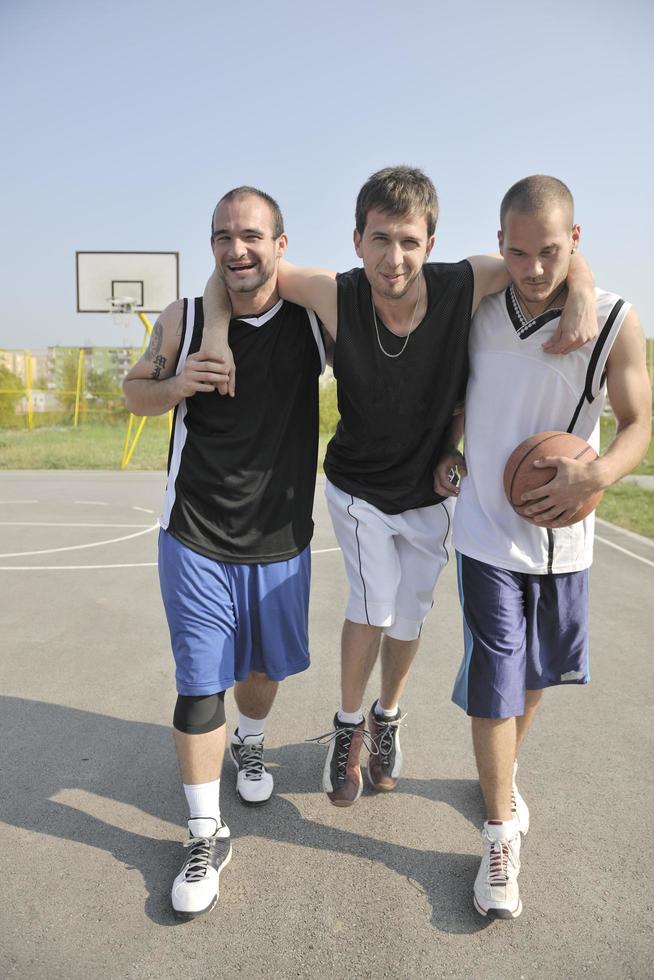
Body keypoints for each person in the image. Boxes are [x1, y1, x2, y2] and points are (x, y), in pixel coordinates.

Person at [202, 166, 597, 809]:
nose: (395, 257)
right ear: (357, 239)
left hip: (431, 489)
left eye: (409, 241)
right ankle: (348, 725)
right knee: (373, 604)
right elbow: (237, 270)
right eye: (381, 239)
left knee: (409, 617)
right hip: (358, 486)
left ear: (430, 245)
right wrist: (215, 333)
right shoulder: (335, 292)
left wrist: (580, 287)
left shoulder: (463, 284)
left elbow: (546, 256)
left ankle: (387, 717)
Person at [434, 175, 651, 919]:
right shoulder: (480, 311)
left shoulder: (617, 321)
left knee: (533, 675)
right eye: (518, 252)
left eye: (552, 253)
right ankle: (499, 838)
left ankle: (502, 773)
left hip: (565, 538)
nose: (533, 268)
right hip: (487, 531)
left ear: (577, 242)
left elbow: (639, 423)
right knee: (498, 673)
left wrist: (598, 471)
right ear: (499, 247)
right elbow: (458, 396)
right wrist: (450, 449)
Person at [123, 187, 325, 920]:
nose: (235, 249)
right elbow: (132, 391)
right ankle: (204, 833)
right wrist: (178, 381)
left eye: (250, 236)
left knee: (263, 675)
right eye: (222, 237)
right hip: (195, 533)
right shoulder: (181, 319)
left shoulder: (310, 322)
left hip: (281, 537)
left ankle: (253, 739)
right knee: (200, 683)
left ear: (279, 243)